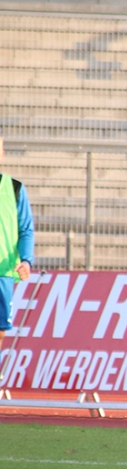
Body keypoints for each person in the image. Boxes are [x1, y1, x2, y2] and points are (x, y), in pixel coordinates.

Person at [0, 133, 35, 349]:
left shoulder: (14, 188)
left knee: (0, 331)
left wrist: (27, 260)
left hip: (3, 271)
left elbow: (25, 230)